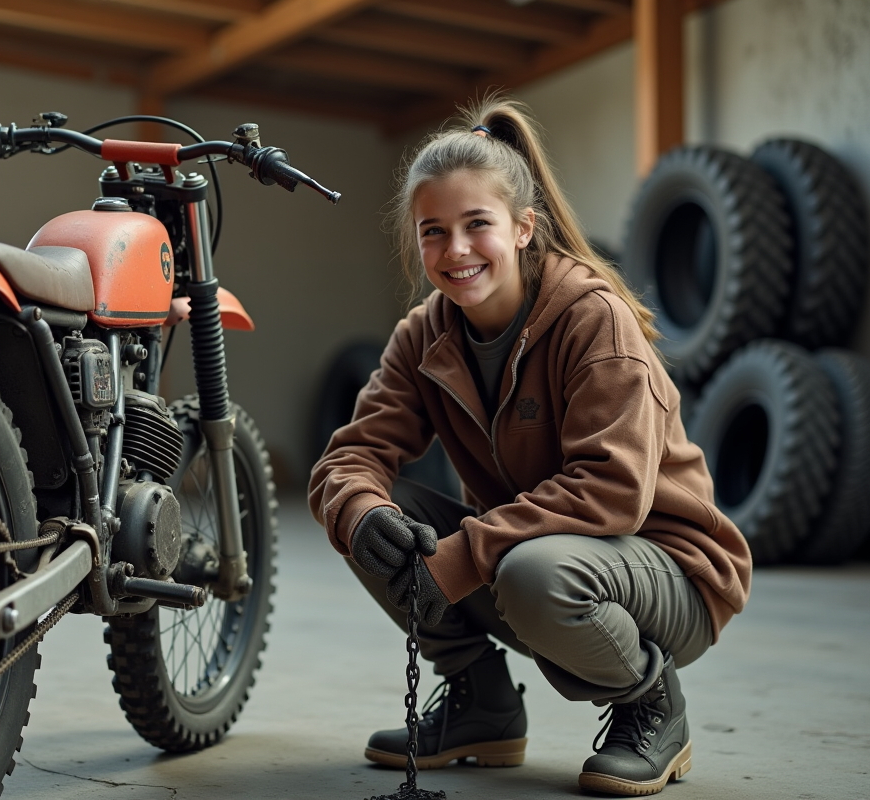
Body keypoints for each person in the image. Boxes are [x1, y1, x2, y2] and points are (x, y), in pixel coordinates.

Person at [307, 94, 751, 797]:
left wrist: (463, 555)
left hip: (668, 571)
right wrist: (362, 515)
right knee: (379, 520)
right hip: (533, 555)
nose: (455, 250)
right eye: (433, 231)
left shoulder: (592, 318)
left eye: (477, 224)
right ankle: (480, 704)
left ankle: (651, 705)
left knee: (529, 573)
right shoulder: (423, 335)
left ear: (523, 228)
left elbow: (613, 491)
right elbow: (348, 458)